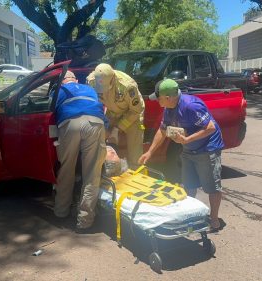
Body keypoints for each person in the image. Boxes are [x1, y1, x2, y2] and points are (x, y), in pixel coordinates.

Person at [138, 79, 225, 231]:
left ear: (168, 97)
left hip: (207, 149)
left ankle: (214, 219)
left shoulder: (191, 106)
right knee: (189, 184)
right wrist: (150, 152)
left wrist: (186, 139)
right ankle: (189, 216)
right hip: (188, 149)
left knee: (212, 187)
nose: (157, 101)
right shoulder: (169, 108)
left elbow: (210, 128)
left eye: (158, 98)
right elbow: (162, 130)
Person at [52, 71, 108, 233]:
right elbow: (101, 108)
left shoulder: (59, 91)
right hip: (95, 123)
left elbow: (51, 112)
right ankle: (85, 220)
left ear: (62, 82)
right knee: (91, 173)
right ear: (76, 80)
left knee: (66, 169)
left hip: (69, 124)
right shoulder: (88, 89)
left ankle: (61, 212)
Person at [87, 63, 145, 168]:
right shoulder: (91, 81)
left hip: (132, 114)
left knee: (134, 148)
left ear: (113, 78)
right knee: (102, 138)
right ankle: (107, 168)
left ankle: (136, 168)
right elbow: (93, 104)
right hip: (112, 112)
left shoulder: (127, 86)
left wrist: (118, 128)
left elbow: (136, 110)